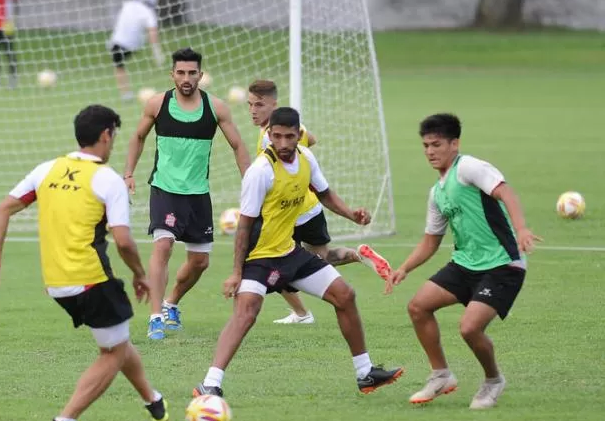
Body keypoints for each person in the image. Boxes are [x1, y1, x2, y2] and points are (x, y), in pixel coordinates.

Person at [0, 105, 169, 421]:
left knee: (118, 340)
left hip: (56, 282)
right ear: (106, 135)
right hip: (91, 277)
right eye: (114, 135)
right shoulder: (107, 178)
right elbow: (123, 239)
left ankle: (153, 401)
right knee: (112, 352)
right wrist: (141, 274)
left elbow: (2, 209)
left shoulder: (47, 169)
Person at [193, 107, 403, 398]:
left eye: (288, 136)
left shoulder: (307, 159)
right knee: (246, 313)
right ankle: (211, 383)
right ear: (269, 134)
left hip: (290, 252)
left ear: (298, 135)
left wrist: (351, 215)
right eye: (275, 136)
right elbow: (244, 227)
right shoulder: (260, 172)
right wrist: (236, 272)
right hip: (259, 257)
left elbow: (324, 193)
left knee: (345, 295)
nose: (281, 143)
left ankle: (365, 373)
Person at [384, 113, 538, 409]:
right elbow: (431, 241)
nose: (430, 151)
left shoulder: (468, 167)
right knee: (418, 306)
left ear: (454, 144)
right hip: (466, 264)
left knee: (469, 328)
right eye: (426, 146)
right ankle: (441, 374)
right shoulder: (437, 192)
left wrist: (521, 229)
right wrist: (403, 268)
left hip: (502, 264)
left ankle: (493, 380)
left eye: (436, 144)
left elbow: (505, 191)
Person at [123, 48, 251, 340]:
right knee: (164, 245)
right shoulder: (158, 104)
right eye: (181, 72)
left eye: (192, 73)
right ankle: (155, 317)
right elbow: (138, 136)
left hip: (198, 194)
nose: (186, 78)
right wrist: (128, 173)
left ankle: (171, 304)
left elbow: (238, 145)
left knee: (200, 262)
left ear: (200, 76)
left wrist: (250, 181)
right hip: (165, 189)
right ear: (172, 75)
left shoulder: (216, 108)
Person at [246, 80, 392, 324]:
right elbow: (311, 138)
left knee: (274, 259)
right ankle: (357, 255)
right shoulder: (296, 129)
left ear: (274, 104)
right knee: (321, 257)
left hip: (286, 212)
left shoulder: (268, 138)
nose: (253, 110)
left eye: (259, 105)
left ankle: (302, 314)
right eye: (249, 105)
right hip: (312, 208)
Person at [107, 0, 166, 100]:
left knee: (119, 66)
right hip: (134, 44)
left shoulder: (128, 5)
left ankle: (126, 93)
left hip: (117, 41)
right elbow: (153, 32)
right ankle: (129, 92)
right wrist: (156, 51)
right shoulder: (149, 12)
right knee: (120, 65)